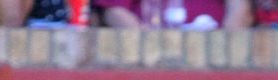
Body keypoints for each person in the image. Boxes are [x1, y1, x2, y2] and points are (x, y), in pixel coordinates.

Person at [95, 0, 252, 26]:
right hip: (150, 54)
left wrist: (225, 41)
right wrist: (147, 43)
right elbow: (114, 11)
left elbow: (239, 6)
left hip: (217, 51)